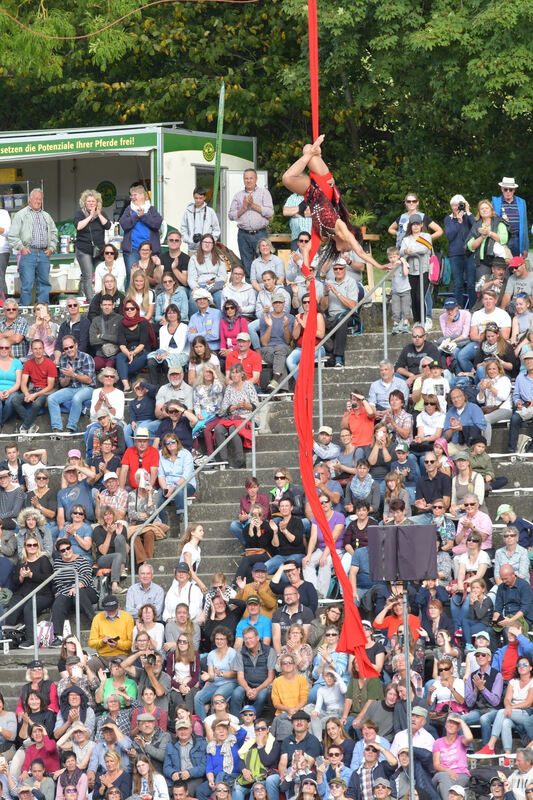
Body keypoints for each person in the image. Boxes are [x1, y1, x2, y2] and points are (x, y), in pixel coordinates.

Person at [8, 189, 58, 306]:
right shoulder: (21, 214)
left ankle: (43, 311)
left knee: (44, 284)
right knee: (27, 285)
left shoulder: (46, 216)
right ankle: (25, 311)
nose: (38, 201)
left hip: (44, 254)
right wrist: (21, 248)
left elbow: (54, 232)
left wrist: (51, 248)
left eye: (40, 199)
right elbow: (12, 235)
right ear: (30, 199)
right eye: (36, 198)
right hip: (28, 253)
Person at [5, 536, 53, 649]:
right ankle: (11, 639)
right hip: (23, 594)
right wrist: (21, 577)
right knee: (12, 609)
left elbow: (47, 579)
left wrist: (31, 575)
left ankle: (32, 639)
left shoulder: (43, 560)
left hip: (42, 594)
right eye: (29, 545)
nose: (32, 547)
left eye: (34, 545)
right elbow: (15, 581)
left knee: (29, 608)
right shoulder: (22, 562)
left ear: (38, 547)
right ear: (25, 547)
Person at [50, 538, 99, 647]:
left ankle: (95, 621)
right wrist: (66, 593)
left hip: (85, 590)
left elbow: (87, 577)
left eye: (68, 548)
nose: (67, 551)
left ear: (71, 548)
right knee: (58, 602)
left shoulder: (82, 560)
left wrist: (75, 587)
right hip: (67, 592)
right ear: (59, 553)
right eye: (63, 550)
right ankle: (58, 636)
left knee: (79, 592)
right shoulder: (57, 563)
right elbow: (58, 582)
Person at [229, 168, 274, 279]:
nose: (248, 181)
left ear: (256, 179)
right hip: (243, 235)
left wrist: (253, 206)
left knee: (264, 262)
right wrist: (244, 209)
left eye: (251, 178)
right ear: (243, 180)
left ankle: (265, 288)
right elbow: (230, 215)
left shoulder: (264, 193)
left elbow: (270, 212)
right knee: (246, 263)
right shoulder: (238, 195)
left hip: (260, 234)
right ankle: (250, 290)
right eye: (246, 178)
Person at [47, 335, 95, 434]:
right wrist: (68, 377)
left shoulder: (86, 357)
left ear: (76, 345)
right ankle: (57, 428)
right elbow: (62, 384)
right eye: (66, 348)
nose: (69, 350)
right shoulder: (63, 359)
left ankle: (71, 427)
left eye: (71, 347)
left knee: (77, 398)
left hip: (87, 388)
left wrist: (74, 374)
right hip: (71, 387)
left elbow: (89, 380)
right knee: (51, 398)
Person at [119, 183, 163, 285]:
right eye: (131, 195)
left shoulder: (151, 209)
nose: (132, 197)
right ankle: (129, 300)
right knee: (132, 276)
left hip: (150, 250)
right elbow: (124, 224)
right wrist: (136, 216)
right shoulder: (129, 210)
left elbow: (157, 224)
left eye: (135, 195)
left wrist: (143, 216)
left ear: (143, 195)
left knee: (152, 277)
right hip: (133, 249)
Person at [320, 260, 360, 369]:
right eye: (335, 269)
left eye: (340, 268)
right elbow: (323, 308)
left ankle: (338, 356)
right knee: (317, 322)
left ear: (345, 269)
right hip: (332, 317)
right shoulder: (329, 282)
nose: (338, 271)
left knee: (342, 319)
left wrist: (336, 292)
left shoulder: (351, 282)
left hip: (348, 315)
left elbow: (353, 306)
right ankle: (329, 352)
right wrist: (326, 294)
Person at [74, 188, 111, 301]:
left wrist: (98, 214)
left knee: (103, 274)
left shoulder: (102, 214)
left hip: (99, 250)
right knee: (88, 276)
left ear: (97, 203)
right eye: (88, 201)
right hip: (84, 249)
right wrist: (90, 216)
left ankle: (105, 299)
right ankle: (90, 302)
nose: (91, 203)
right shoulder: (80, 214)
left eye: (93, 201)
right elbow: (78, 226)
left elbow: (108, 226)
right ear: (84, 203)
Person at [14, 335, 57, 432]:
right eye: (35, 349)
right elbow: (23, 384)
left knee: (36, 404)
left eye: (40, 348)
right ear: (32, 350)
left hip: (45, 391)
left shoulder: (50, 364)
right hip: (32, 389)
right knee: (15, 400)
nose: (38, 351)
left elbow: (50, 386)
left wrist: (35, 395)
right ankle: (32, 425)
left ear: (43, 349)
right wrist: (27, 394)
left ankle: (25, 427)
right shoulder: (28, 363)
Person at [443, 196, 476, 309]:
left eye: (459, 204)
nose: (457, 207)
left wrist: (468, 212)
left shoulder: (469, 217)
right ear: (451, 207)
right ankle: (459, 309)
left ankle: (473, 309)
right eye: (454, 205)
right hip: (455, 254)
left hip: (469, 253)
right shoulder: (448, 219)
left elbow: (476, 228)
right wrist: (458, 221)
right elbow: (450, 236)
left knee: (471, 284)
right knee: (458, 284)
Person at [259, 292, 294, 390]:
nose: (278, 304)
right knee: (280, 359)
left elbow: (287, 341)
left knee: (280, 349)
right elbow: (264, 343)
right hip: (268, 349)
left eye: (280, 302)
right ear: (272, 304)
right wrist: (270, 326)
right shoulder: (265, 317)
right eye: (275, 303)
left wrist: (286, 327)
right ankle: (282, 390)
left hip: (284, 347)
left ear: (284, 304)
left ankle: (275, 380)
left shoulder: (290, 318)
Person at [187, 234, 227, 312]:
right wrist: (196, 288)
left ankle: (223, 322)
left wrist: (215, 280)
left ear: (213, 245)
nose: (207, 244)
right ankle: (194, 323)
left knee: (221, 297)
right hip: (199, 286)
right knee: (193, 300)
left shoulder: (219, 258)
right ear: (201, 243)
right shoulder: (194, 258)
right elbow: (191, 278)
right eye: (205, 242)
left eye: (210, 242)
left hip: (214, 287)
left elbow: (223, 277)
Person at [492, 176, 530, 258]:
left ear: (514, 190)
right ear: (502, 189)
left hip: (515, 239)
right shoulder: (495, 202)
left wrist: (525, 247)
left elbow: (524, 226)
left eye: (511, 189)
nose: (508, 192)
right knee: (500, 266)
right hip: (500, 240)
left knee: (514, 267)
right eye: (505, 189)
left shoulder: (521, 202)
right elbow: (490, 221)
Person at [181, 186, 221, 252]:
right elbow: (183, 228)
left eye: (200, 198)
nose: (198, 200)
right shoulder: (188, 211)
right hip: (192, 249)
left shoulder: (210, 212)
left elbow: (216, 229)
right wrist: (189, 240)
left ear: (205, 198)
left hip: (207, 249)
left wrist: (209, 241)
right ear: (193, 197)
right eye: (196, 198)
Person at [509, 352, 533, 451]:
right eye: (526, 360)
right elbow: (516, 395)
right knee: (514, 419)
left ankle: (531, 450)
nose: (529, 362)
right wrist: (518, 402)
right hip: (525, 406)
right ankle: (511, 449)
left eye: (531, 359)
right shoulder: (520, 377)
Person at [0, 337, 22, 431]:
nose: (4, 350)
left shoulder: (17, 363)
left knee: (10, 402)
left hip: (12, 390)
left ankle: (1, 423)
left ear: (10, 349)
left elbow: (18, 383)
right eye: (1, 347)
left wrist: (9, 391)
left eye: (6, 347)